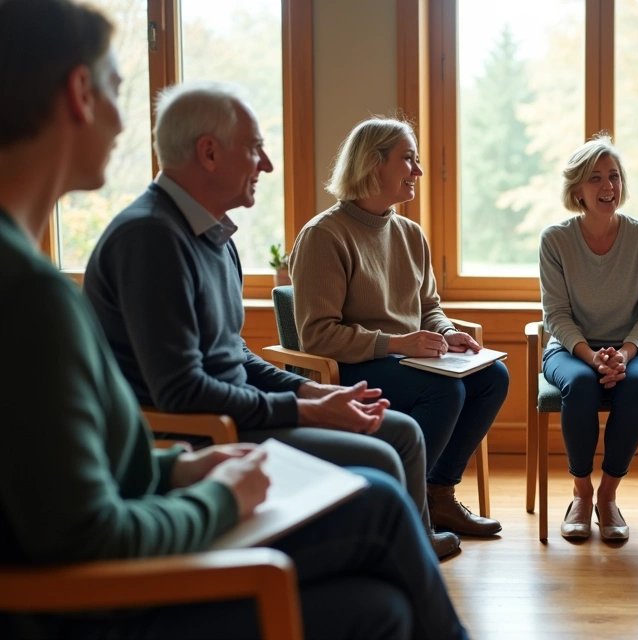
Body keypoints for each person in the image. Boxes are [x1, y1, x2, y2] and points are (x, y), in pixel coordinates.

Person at [0, 1, 466, 638]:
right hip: (137, 537)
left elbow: (208, 377)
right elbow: (88, 519)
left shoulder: (210, 238)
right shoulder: (70, 274)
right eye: (115, 87)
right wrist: (225, 486)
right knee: (380, 503)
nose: (267, 165)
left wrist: (300, 396)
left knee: (381, 600)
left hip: (191, 461)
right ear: (79, 94)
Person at [81, 83, 459, 557]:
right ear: (210, 153)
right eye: (255, 149)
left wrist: (312, 391)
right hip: (203, 434)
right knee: (386, 451)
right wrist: (304, 409)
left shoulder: (214, 236)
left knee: (400, 432)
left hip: (238, 410)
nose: (267, 165)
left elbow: (233, 355)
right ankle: (394, 562)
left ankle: (401, 560)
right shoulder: (151, 239)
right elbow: (181, 393)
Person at [290, 117, 508, 539]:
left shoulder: (410, 233)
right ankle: (406, 514)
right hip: (350, 368)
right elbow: (317, 336)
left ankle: (438, 494)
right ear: (374, 165)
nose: (418, 172)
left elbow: (429, 306)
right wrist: (395, 343)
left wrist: (445, 333)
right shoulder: (324, 236)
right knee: (444, 390)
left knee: (492, 378)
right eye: (408, 160)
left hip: (405, 357)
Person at [540, 133, 638, 542]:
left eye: (613, 176)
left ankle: (607, 497)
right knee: (578, 385)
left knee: (634, 386)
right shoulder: (556, 240)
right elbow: (556, 315)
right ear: (576, 189)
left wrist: (625, 354)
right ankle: (580, 493)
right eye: (595, 178)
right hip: (571, 349)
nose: (608, 186)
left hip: (637, 348)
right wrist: (591, 356)